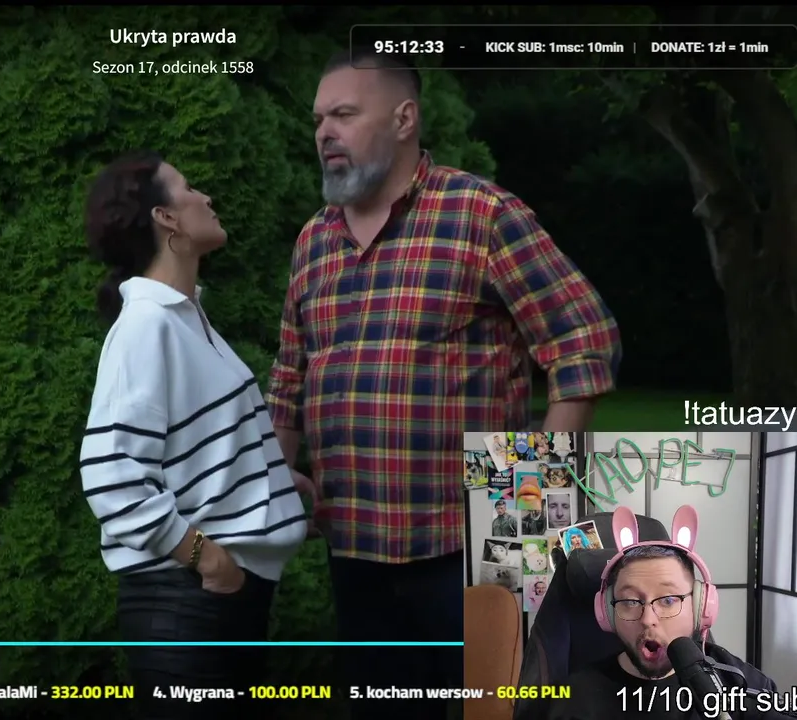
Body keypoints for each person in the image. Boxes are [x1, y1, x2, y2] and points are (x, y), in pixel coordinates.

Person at [265, 48, 622, 716]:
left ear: (404, 119)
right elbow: (289, 377)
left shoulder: (479, 213)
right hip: (356, 543)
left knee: (495, 710)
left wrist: (533, 501)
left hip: (475, 542)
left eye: (344, 114)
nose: (324, 133)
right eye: (318, 119)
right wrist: (276, 479)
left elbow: (583, 338)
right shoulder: (314, 240)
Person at [79, 152, 313, 718]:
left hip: (216, 609)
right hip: (187, 607)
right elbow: (113, 480)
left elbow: (198, 451)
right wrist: (208, 559)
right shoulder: (147, 325)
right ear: (166, 218)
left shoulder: (186, 318)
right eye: (189, 189)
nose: (206, 197)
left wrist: (276, 485)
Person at [549, 506, 797, 720]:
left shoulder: (739, 682)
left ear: (701, 607)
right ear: (607, 612)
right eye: (630, 601)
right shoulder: (577, 700)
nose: (648, 619)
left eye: (668, 600)